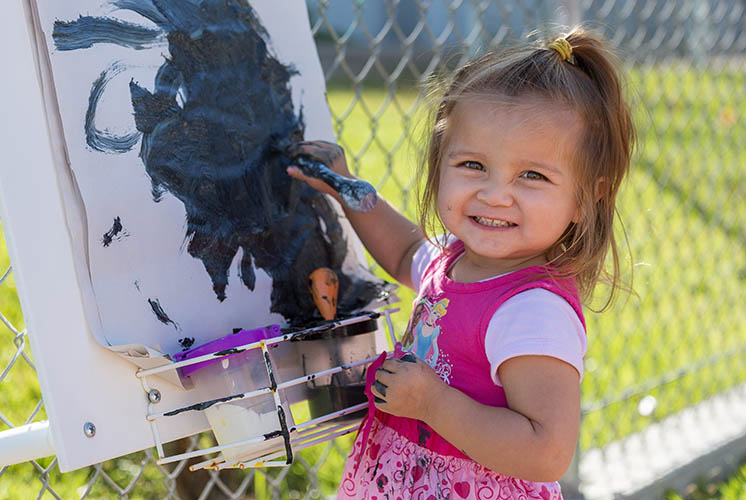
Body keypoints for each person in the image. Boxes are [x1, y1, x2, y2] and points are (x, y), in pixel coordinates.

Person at [287, 27, 634, 500]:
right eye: (472, 165)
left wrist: (433, 403)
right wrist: (348, 189)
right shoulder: (454, 258)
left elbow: (546, 450)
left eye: (532, 175)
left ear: (586, 198)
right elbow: (407, 251)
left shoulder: (531, 310)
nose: (494, 194)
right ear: (440, 162)